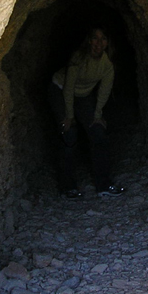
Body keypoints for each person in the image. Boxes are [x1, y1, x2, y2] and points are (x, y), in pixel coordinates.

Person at [48, 26, 125, 199]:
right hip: (60, 90)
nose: (99, 43)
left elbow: (105, 90)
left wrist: (97, 115)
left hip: (83, 96)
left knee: (98, 133)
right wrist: (69, 116)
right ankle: (68, 187)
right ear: (89, 41)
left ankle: (104, 185)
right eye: (95, 38)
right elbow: (68, 88)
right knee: (69, 134)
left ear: (108, 42)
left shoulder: (107, 64)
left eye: (103, 38)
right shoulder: (79, 58)